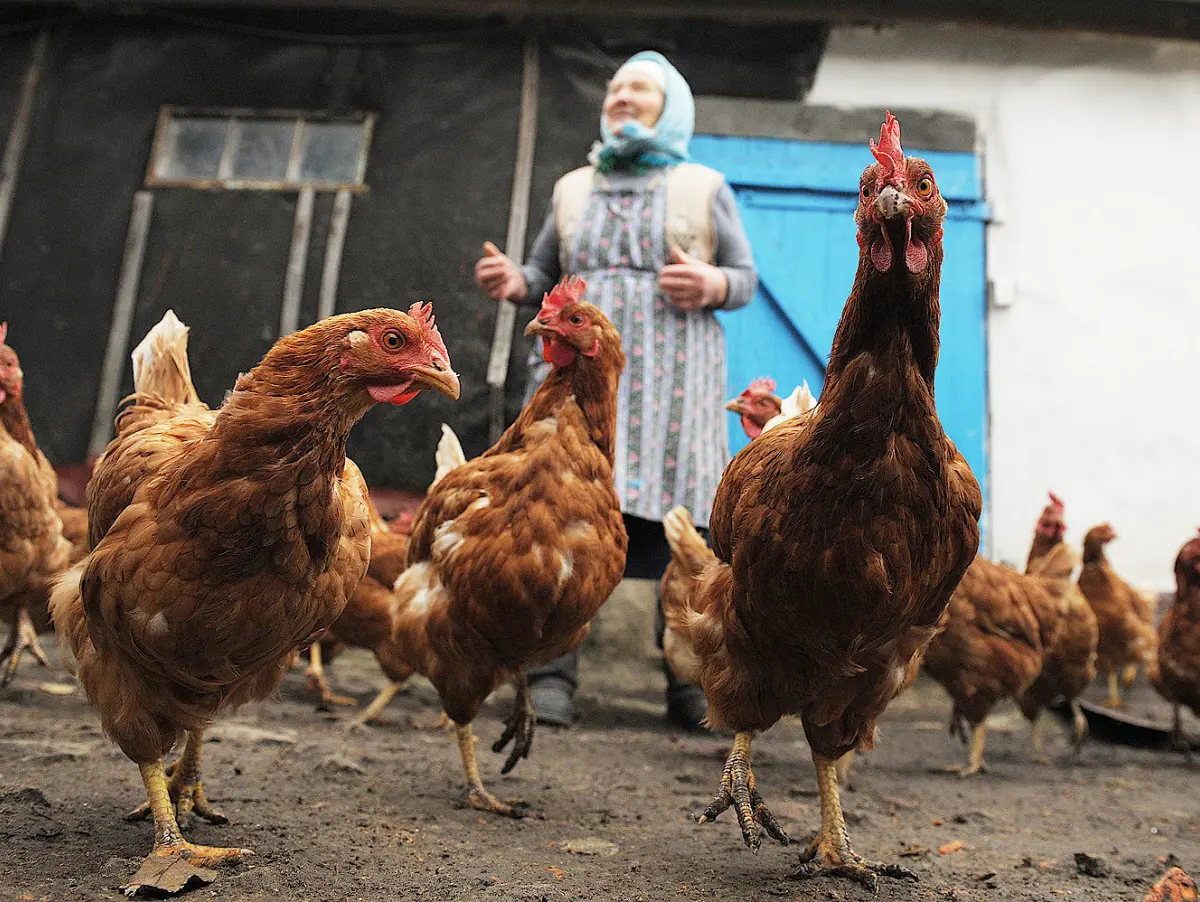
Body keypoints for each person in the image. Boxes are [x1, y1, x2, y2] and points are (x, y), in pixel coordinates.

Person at [474, 50, 757, 731]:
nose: (622, 98)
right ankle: (550, 676)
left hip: (674, 382)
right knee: (559, 508)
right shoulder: (574, 187)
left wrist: (713, 284)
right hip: (583, 379)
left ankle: (689, 683)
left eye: (640, 89)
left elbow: (745, 277)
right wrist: (516, 283)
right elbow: (543, 269)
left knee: (684, 526)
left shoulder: (702, 184)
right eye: (615, 89)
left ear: (672, 106)